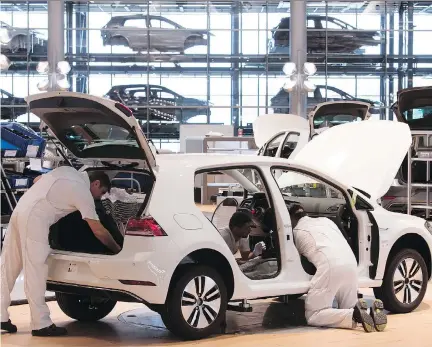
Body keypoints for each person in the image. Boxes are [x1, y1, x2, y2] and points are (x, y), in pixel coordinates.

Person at [1, 166, 121, 337]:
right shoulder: (82, 191)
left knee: (8, 266)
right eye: (101, 193)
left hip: (20, 209)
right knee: (35, 269)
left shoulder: (67, 171)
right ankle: (40, 323)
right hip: (35, 219)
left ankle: (0, 316)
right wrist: (117, 249)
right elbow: (98, 230)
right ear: (95, 183)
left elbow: (37, 180)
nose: (99, 197)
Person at [289, 204, 387, 333]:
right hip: (351, 264)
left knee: (314, 314)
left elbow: (292, 259)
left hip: (331, 267)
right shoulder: (326, 221)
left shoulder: (296, 232)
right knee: (349, 306)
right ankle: (367, 312)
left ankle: (355, 315)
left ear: (291, 219)